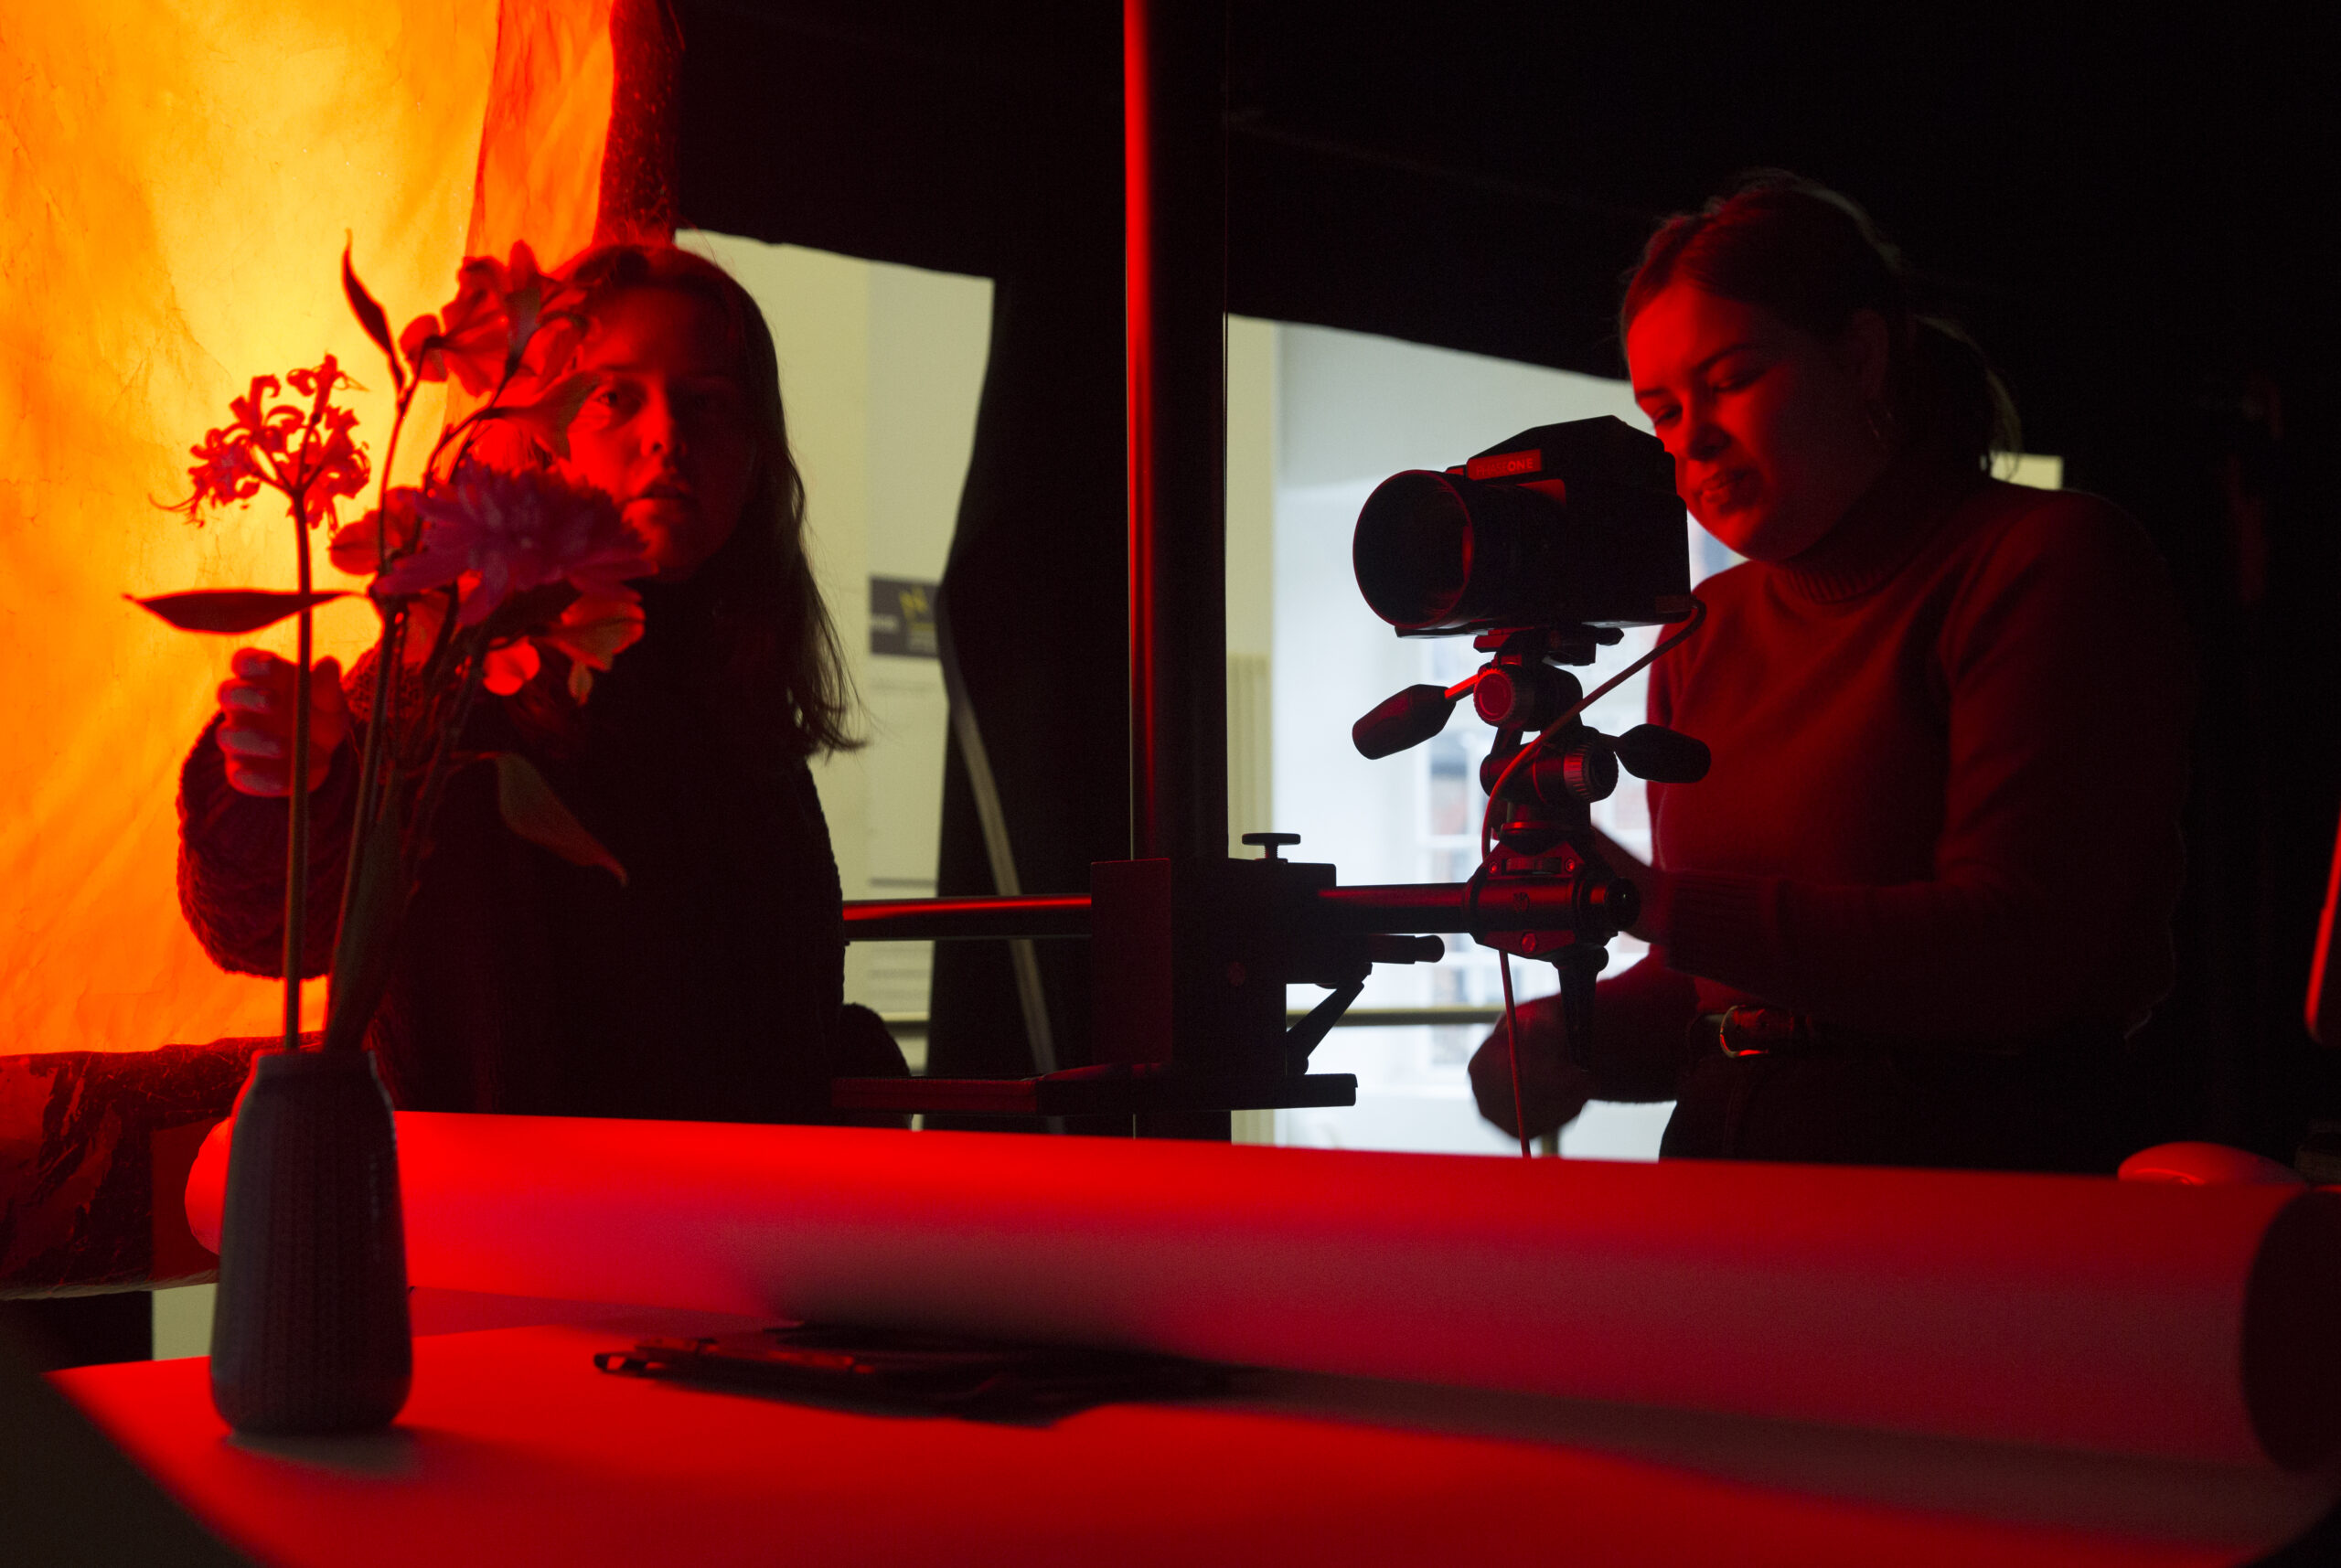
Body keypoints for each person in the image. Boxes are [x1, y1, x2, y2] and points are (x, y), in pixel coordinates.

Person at [1470, 176, 2193, 1172]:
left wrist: (1652, 902)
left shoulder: (2043, 559)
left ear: (1859, 356)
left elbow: (2017, 946)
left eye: (1729, 381)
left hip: (1970, 1180)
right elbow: (1718, 983)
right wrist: (1566, 1036)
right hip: (1727, 1174)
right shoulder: (1702, 629)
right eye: (1664, 410)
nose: (1693, 440)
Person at [178, 242, 906, 1122]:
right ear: (536, 428)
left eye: (709, 403)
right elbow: (263, 926)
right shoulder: (456, 674)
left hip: (746, 1241)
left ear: (756, 460)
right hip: (507, 1247)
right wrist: (293, 783)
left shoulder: (742, 716)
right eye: (613, 395)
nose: (666, 434)